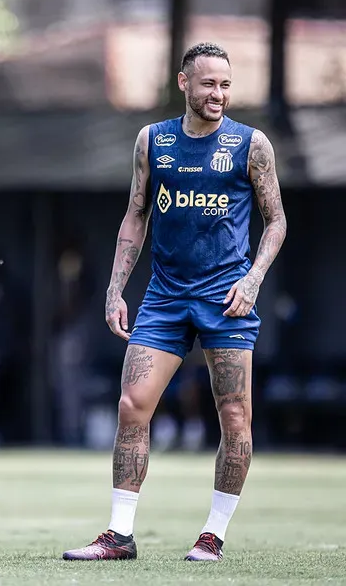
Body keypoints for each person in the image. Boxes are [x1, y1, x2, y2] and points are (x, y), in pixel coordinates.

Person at [63, 42, 287, 562]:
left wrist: (253, 279)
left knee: (234, 415)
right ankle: (119, 535)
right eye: (209, 84)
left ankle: (213, 534)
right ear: (184, 83)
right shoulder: (153, 141)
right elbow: (136, 213)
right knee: (131, 406)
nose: (219, 94)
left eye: (227, 85)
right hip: (164, 297)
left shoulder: (251, 145)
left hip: (226, 297)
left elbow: (276, 220)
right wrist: (116, 288)